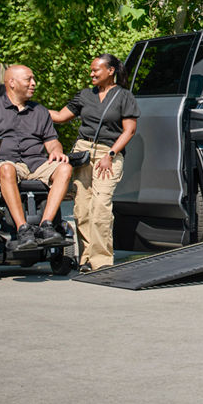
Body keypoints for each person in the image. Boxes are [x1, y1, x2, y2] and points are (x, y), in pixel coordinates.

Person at [0, 64, 72, 251]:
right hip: (3, 163)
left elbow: (52, 141)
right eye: (28, 79)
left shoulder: (40, 111)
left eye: (33, 79)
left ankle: (46, 225)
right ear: (12, 83)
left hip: (35, 164)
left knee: (65, 168)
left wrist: (56, 150)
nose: (33, 83)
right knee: (8, 168)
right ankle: (23, 229)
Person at [50, 54, 140, 272]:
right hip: (83, 153)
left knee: (100, 207)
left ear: (111, 71)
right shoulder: (84, 96)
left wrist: (111, 154)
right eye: (90, 70)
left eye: (95, 70)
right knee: (82, 209)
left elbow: (130, 130)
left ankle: (101, 261)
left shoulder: (124, 96)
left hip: (108, 155)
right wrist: (32, 109)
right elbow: (61, 116)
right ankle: (86, 258)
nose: (91, 74)